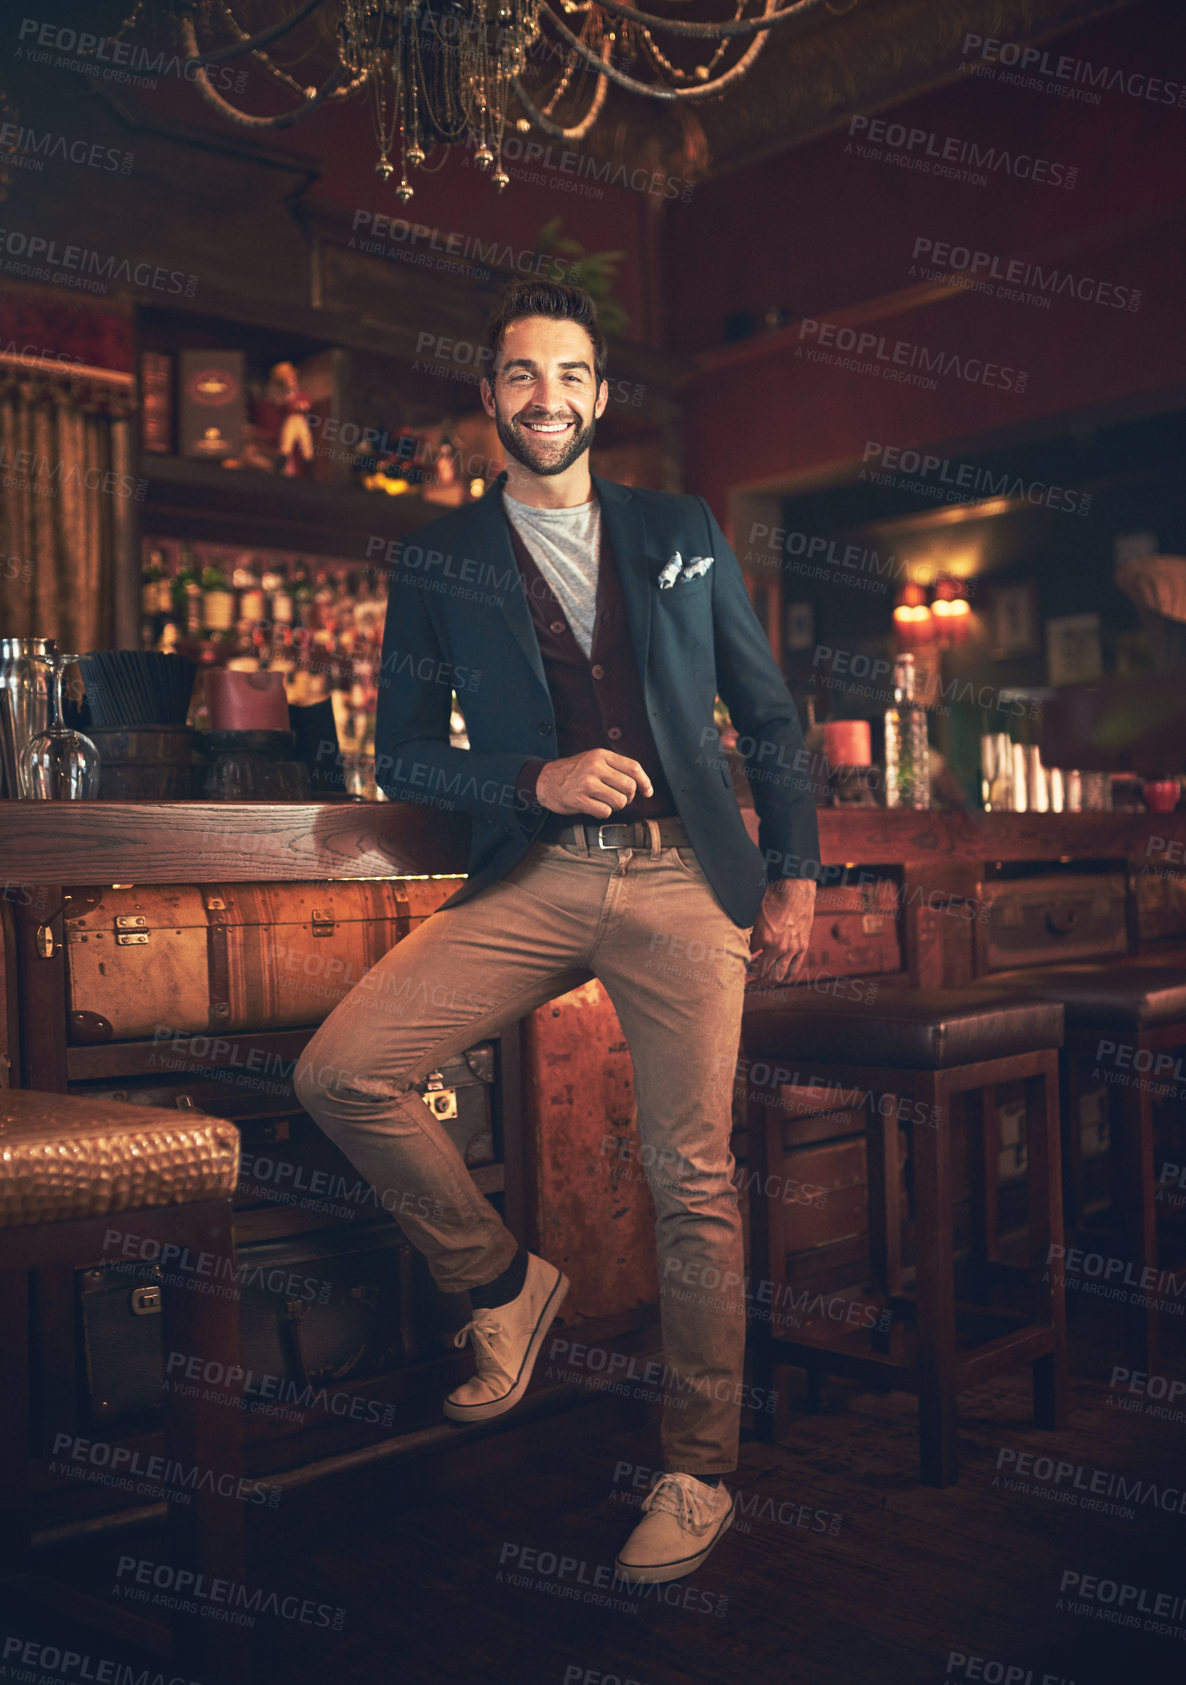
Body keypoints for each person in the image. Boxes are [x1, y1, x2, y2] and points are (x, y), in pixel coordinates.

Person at [294, 278, 820, 1584]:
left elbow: (764, 710)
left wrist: (793, 868)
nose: (547, 398)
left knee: (687, 1174)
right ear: (490, 398)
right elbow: (400, 747)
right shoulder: (439, 555)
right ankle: (500, 1282)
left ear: (598, 393)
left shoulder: (679, 526)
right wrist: (526, 780)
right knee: (338, 1068)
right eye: (521, 376)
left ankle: (697, 1468)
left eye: (570, 376)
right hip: (530, 874)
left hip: (680, 880)